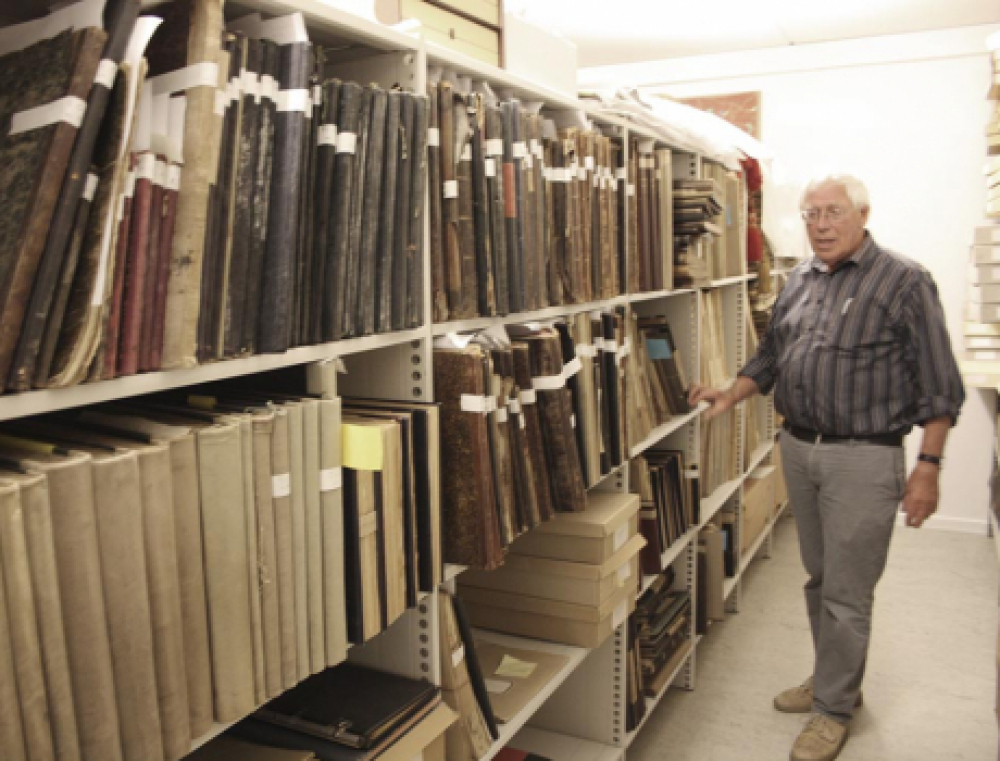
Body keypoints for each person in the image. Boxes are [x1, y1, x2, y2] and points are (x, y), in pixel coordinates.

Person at [688, 174, 965, 761]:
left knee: (847, 591)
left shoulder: (904, 280)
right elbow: (769, 359)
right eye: (810, 214)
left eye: (833, 212)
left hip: (864, 456)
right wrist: (727, 394)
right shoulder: (798, 281)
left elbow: (941, 386)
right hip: (800, 448)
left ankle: (833, 710)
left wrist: (928, 469)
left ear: (862, 213)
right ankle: (834, 678)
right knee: (820, 580)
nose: (820, 224)